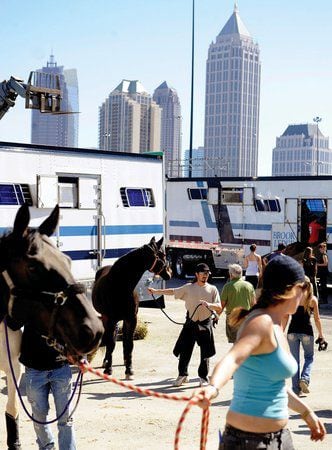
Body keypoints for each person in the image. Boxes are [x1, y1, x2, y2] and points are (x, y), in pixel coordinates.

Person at [195, 255, 326, 449]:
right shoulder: (260, 322)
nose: (305, 296)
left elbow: (276, 385)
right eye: (303, 289)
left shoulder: (276, 324)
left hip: (279, 438)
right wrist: (213, 388)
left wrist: (307, 413)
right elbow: (233, 358)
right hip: (249, 442)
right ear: (291, 289)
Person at [148, 262, 222, 387]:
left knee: (205, 353)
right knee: (185, 350)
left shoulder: (212, 289)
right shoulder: (188, 288)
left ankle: (203, 378)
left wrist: (209, 305)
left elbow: (219, 306)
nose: (205, 276)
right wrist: (156, 291)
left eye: (207, 274)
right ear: (196, 274)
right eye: (203, 274)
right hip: (191, 323)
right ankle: (182, 375)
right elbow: (173, 291)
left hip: (205, 323)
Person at [19, 324, 76, 450]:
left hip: (60, 367)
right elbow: (13, 323)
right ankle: (47, 446)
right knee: (39, 417)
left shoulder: (62, 304)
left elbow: (76, 323)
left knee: (65, 418)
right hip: (35, 369)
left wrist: (82, 354)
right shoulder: (29, 304)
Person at [287, 276, 326, 395]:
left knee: (294, 360)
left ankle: (295, 389)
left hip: (292, 332)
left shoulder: (293, 297)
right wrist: (321, 335)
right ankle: (305, 378)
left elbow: (286, 315)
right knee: (309, 357)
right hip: (306, 332)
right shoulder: (312, 299)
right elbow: (317, 319)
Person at [220, 264, 256, 343]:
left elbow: (222, 305)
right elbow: (253, 304)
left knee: (235, 342)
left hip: (232, 317)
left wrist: (216, 316)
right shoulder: (249, 285)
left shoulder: (227, 286)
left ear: (231, 274)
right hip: (246, 317)